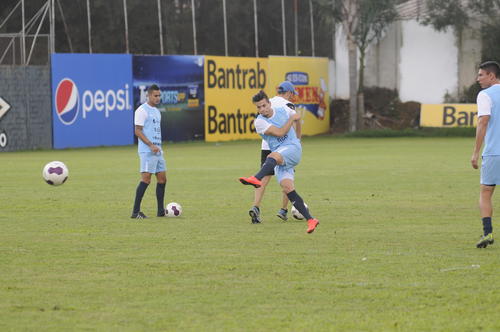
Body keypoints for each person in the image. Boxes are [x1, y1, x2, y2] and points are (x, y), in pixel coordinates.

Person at [239, 90, 319, 234]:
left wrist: (298, 139)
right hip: (282, 155)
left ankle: (256, 178)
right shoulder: (259, 122)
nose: (262, 109)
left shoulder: (282, 110)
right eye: (258, 107)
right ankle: (311, 220)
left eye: (264, 105)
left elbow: (298, 120)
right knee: (288, 189)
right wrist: (292, 119)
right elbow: (280, 132)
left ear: (269, 103)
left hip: (292, 149)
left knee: (272, 157)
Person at [248, 81, 302, 224]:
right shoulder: (288, 105)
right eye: (292, 95)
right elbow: (296, 121)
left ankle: (256, 207)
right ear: (289, 93)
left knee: (264, 179)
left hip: (266, 145)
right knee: (287, 177)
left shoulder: (267, 101)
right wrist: (297, 140)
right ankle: (283, 210)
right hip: (283, 146)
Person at [471, 61, 500, 248]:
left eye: (481, 75)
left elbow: (483, 122)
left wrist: (475, 152)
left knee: (486, 192)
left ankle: (487, 233)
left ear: (491, 75)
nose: (478, 79)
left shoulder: (485, 95)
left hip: (494, 153)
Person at [131, 84, 167, 219]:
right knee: (146, 180)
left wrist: (157, 147)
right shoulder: (141, 110)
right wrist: (150, 145)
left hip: (158, 151)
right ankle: (135, 212)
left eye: (159, 96)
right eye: (155, 96)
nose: (157, 98)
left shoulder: (156, 111)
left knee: (162, 179)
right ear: (148, 95)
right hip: (147, 151)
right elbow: (137, 130)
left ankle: (160, 211)